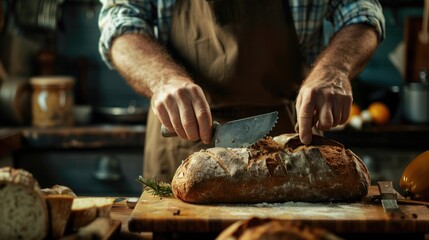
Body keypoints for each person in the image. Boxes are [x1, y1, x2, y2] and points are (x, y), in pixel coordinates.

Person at [98, 0, 385, 182]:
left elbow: (362, 10)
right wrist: (162, 79)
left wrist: (335, 68)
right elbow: (120, 21)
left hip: (284, 145)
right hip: (181, 135)